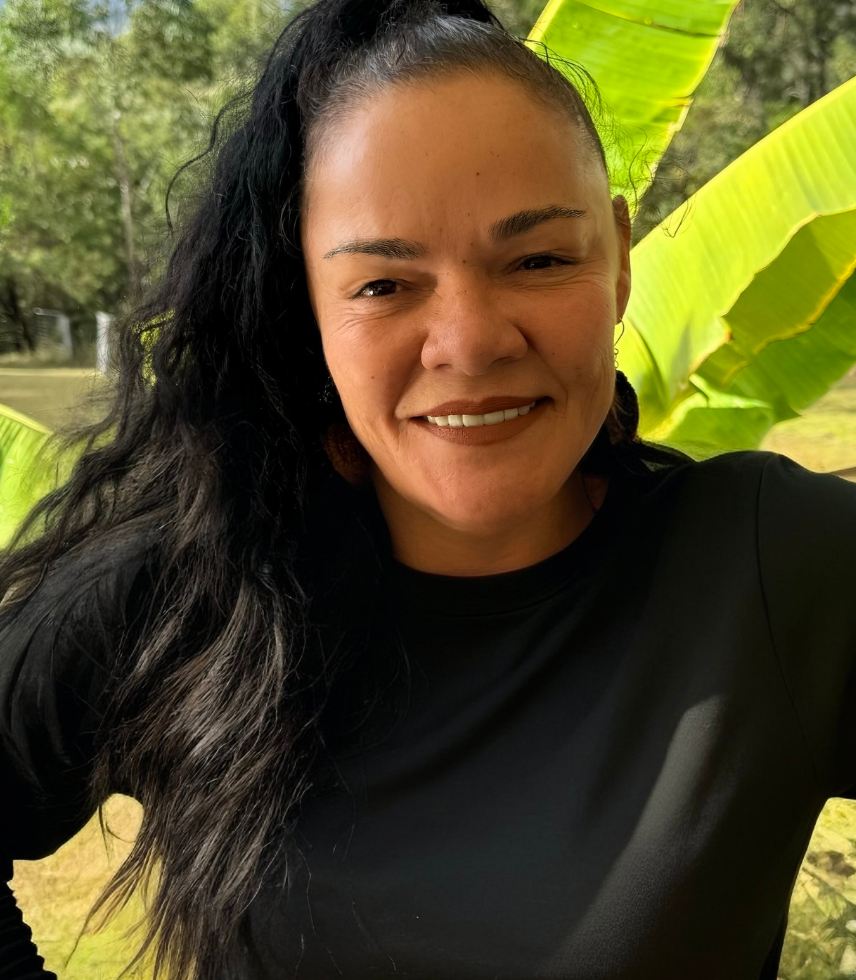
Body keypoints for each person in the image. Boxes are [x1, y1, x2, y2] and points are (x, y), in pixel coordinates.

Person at [1, 0, 855, 977]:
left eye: (538, 259)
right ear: (307, 305)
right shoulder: (198, 578)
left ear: (618, 260)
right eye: (383, 284)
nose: (471, 342)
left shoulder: (769, 569)